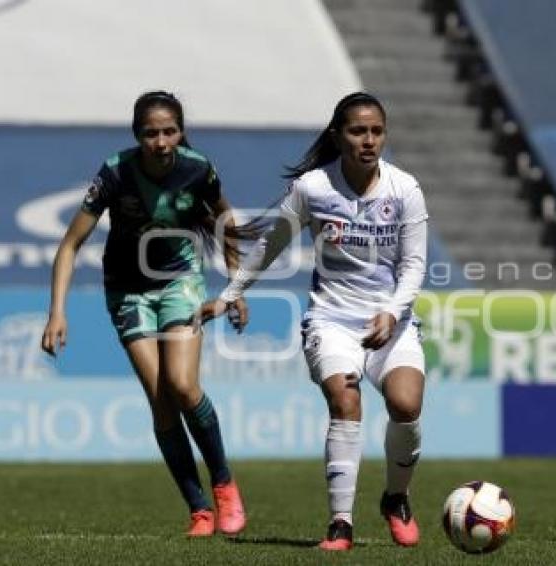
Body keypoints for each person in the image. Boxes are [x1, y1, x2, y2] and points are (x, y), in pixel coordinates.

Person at [196, 92, 428, 551]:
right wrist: (229, 295)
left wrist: (391, 311)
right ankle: (340, 523)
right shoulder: (314, 188)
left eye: (376, 131)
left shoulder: (405, 189)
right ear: (338, 135)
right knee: (345, 400)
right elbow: (271, 245)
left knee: (406, 405)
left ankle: (396, 499)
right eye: (358, 131)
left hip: (391, 321)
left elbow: (415, 265)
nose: (368, 140)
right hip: (333, 320)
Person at [41, 91, 247, 538]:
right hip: (127, 291)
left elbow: (225, 221)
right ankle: (199, 510)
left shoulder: (198, 168)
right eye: (151, 133)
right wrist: (57, 313)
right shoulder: (116, 172)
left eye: (169, 131)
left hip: (179, 282)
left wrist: (235, 288)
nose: (161, 141)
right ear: (137, 136)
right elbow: (70, 244)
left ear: (180, 132)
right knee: (160, 398)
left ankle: (224, 483)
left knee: (183, 385)